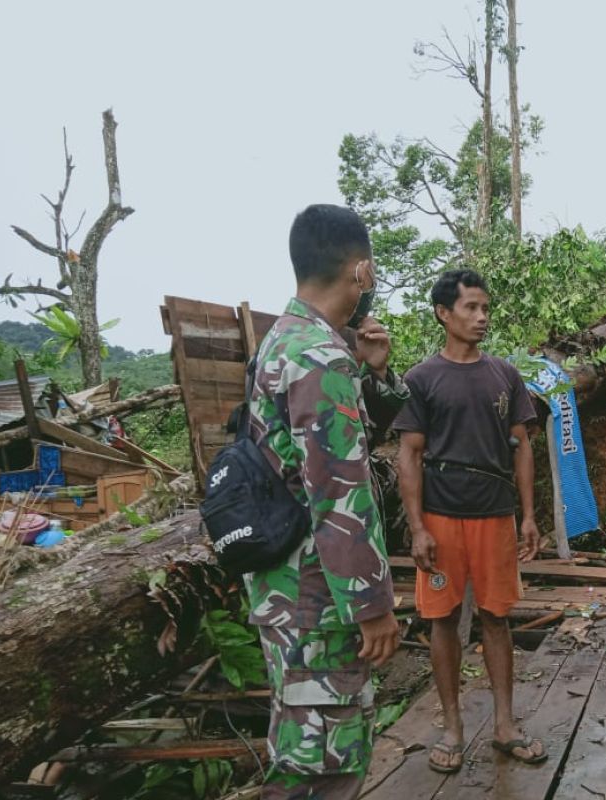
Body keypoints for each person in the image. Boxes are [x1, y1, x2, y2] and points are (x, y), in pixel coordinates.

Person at [246, 204, 407, 800]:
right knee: (322, 762)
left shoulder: (285, 342)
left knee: (301, 742)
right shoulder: (319, 357)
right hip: (320, 597)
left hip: (288, 589)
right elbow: (338, 489)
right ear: (360, 271)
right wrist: (372, 604)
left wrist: (371, 372)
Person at [395, 268, 547, 774]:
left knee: (497, 617)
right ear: (444, 313)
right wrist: (416, 527)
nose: (481, 317)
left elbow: (523, 446)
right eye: (470, 308)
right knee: (441, 620)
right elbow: (409, 456)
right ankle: (453, 726)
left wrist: (528, 515)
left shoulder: (504, 374)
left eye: (485, 309)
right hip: (440, 518)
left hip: (494, 514)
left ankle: (505, 726)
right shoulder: (421, 379)